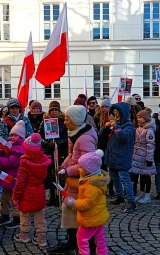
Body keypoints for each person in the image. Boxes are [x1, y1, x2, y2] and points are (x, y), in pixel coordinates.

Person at [47, 105, 97, 254]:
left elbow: (88, 164)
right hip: (73, 182)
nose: (64, 122)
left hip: (83, 183)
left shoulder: (85, 138)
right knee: (68, 211)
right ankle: (72, 241)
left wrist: (67, 171)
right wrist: (62, 166)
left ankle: (89, 247)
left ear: (75, 120)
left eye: (67, 119)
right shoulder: (73, 133)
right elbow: (71, 156)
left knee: (83, 216)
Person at [63, 150, 110, 255]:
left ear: (89, 169)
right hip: (98, 216)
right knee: (99, 238)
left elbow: (86, 204)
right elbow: (80, 185)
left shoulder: (91, 186)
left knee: (81, 238)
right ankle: (103, 253)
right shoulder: (93, 179)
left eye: (81, 167)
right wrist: (68, 180)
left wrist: (73, 203)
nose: (79, 169)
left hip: (90, 218)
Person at [12, 133, 51, 247]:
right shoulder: (43, 161)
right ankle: (41, 237)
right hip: (39, 190)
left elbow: (20, 182)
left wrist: (15, 197)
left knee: (24, 214)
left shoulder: (24, 164)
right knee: (40, 214)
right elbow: (44, 177)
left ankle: (24, 234)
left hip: (27, 192)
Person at [102, 102, 136, 213]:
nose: (115, 114)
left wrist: (116, 128)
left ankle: (131, 201)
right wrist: (105, 127)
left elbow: (124, 138)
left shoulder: (128, 125)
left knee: (125, 179)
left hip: (122, 156)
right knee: (115, 178)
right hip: (113, 155)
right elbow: (101, 134)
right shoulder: (115, 123)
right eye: (114, 112)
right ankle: (120, 196)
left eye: (117, 112)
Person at [0, 120, 25, 228]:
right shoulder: (10, 145)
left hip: (15, 178)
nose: (13, 137)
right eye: (12, 135)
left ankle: (17, 218)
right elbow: (1, 153)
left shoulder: (20, 149)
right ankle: (4, 216)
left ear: (21, 137)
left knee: (15, 200)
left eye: (16, 135)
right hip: (7, 177)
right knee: (4, 198)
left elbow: (11, 162)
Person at [38, 101, 68, 207]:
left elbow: (67, 136)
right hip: (49, 152)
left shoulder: (63, 121)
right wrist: (47, 144)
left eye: (56, 110)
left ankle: (61, 195)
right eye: (52, 110)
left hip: (60, 151)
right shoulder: (45, 121)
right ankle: (52, 197)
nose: (54, 112)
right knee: (50, 176)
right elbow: (39, 136)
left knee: (60, 174)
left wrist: (58, 143)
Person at [129, 110, 156, 203]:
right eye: (137, 118)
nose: (138, 119)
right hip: (137, 155)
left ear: (145, 118)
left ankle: (147, 195)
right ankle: (141, 193)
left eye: (140, 117)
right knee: (138, 175)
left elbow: (150, 145)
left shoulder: (149, 130)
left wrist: (149, 158)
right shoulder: (138, 128)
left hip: (144, 156)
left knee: (145, 176)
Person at [96, 98, 115, 196]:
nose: (104, 108)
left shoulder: (113, 117)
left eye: (106, 106)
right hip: (101, 145)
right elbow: (98, 132)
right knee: (103, 168)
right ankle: (104, 188)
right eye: (102, 106)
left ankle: (111, 189)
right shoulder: (97, 117)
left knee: (111, 168)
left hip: (110, 144)